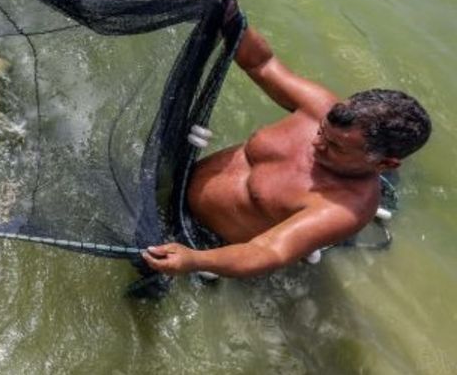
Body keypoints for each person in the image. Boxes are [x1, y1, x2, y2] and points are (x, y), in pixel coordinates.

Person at [143, 22, 430, 278]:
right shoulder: (320, 106)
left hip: (205, 242)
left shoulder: (346, 208)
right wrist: (230, 18)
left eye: (335, 147)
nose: (317, 144)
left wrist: (194, 259)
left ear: (386, 164)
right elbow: (261, 64)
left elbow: (267, 252)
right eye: (321, 132)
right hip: (176, 184)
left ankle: (325, 241)